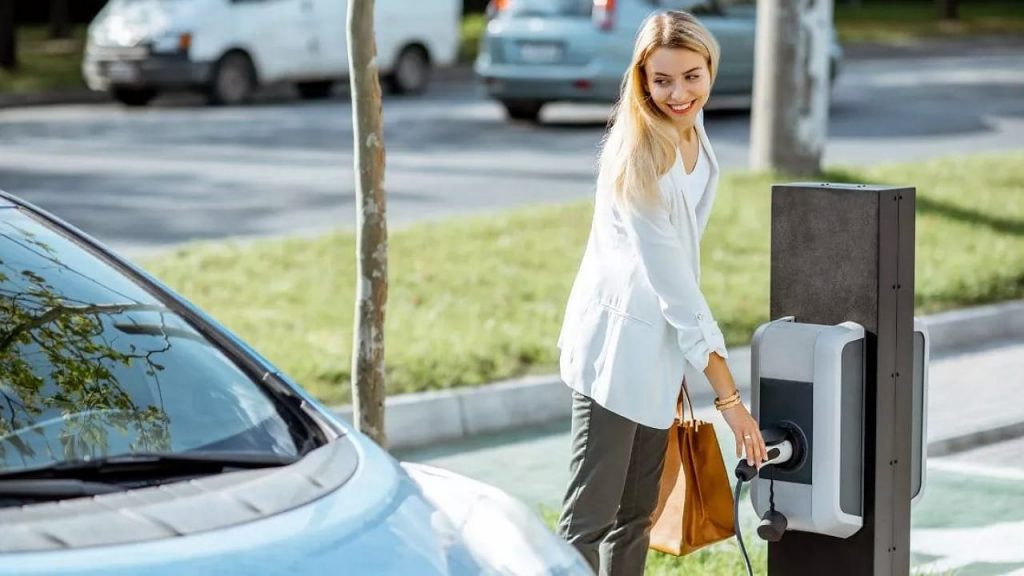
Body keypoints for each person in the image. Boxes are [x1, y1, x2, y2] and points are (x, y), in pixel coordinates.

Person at [554, 10, 769, 576]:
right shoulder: (640, 158)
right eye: (662, 80)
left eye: (691, 77)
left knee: (637, 515)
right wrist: (730, 402)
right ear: (641, 79)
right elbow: (675, 287)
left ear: (710, 70)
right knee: (588, 520)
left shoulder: (692, 132)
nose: (678, 93)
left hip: (659, 350)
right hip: (617, 350)